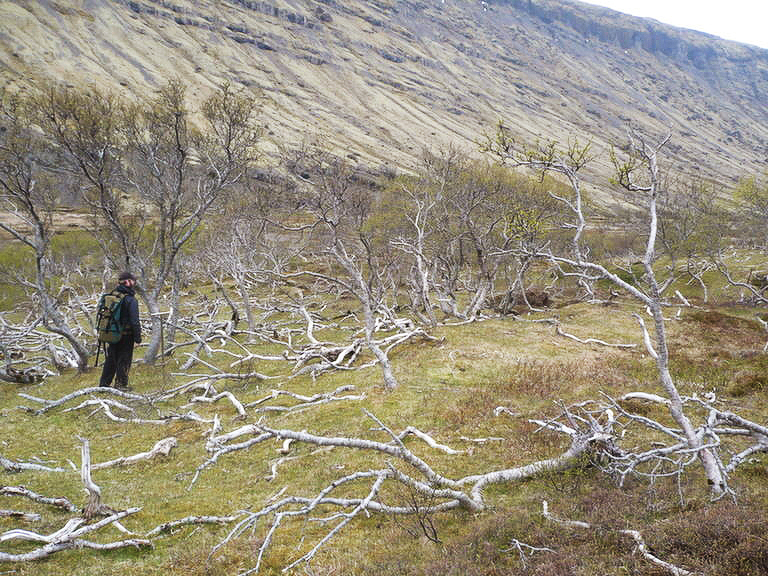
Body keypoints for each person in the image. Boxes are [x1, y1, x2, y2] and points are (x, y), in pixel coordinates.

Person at [99, 271, 142, 389]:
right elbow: (135, 321)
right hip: (126, 335)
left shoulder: (112, 295)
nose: (134, 283)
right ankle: (121, 385)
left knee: (111, 359)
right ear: (128, 282)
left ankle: (103, 385)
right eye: (133, 281)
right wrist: (138, 338)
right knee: (124, 359)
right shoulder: (131, 300)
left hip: (112, 333)